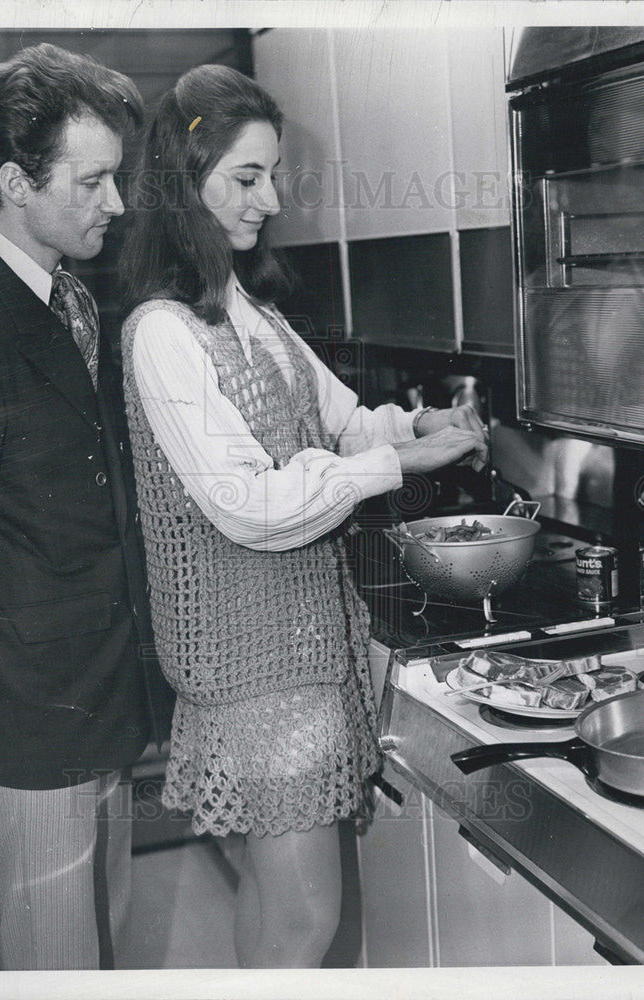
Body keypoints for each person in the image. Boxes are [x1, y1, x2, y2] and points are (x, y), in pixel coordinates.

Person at [119, 64, 488, 968]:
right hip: (254, 673)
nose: (270, 198)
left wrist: (413, 424)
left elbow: (341, 423)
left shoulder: (253, 313)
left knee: (280, 911)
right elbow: (250, 506)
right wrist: (392, 461)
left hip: (298, 657)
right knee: (304, 918)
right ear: (183, 181)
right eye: (246, 177)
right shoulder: (163, 333)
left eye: (272, 174)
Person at [0, 43, 173, 970]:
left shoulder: (69, 298)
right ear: (14, 181)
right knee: (55, 963)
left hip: (99, 698)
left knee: (105, 945)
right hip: (27, 720)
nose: (118, 203)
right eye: (91, 181)